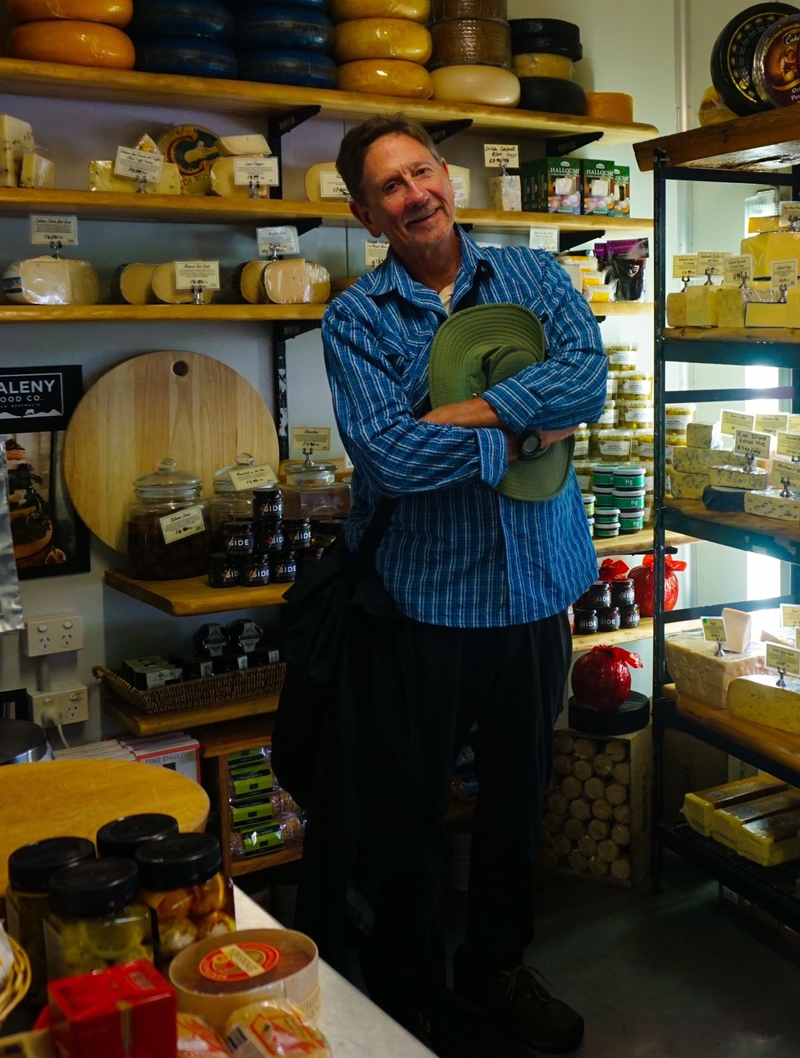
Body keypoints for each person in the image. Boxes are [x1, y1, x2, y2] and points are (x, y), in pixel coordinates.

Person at [320, 114, 606, 1057]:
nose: (416, 195)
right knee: (408, 811)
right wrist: (523, 432)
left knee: (520, 800)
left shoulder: (532, 276)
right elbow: (391, 459)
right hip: (428, 602)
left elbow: (588, 385)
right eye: (390, 187)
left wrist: (467, 414)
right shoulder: (356, 318)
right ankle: (409, 992)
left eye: (423, 172)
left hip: (537, 588)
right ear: (367, 216)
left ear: (447, 175)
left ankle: (496, 968)